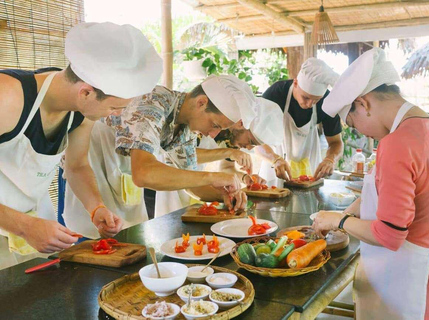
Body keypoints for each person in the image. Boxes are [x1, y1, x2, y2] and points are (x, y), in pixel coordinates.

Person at [0, 22, 162, 269]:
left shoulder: (80, 112)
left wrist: (96, 208)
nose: (114, 115)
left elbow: (76, 166)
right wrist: (24, 226)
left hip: (31, 222)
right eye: (114, 107)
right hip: (19, 224)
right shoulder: (7, 97)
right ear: (86, 92)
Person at [313, 48, 429, 319]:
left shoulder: (397, 143)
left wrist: (338, 221)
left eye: (353, 123)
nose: (359, 131)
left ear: (363, 103)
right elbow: (395, 196)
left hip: (404, 284)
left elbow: (390, 234)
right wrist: (348, 212)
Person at [64, 75, 258, 238]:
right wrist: (212, 177)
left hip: (123, 186)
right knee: (90, 246)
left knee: (129, 241)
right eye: (215, 125)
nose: (213, 135)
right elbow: (143, 174)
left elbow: (190, 182)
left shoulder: (185, 128)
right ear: (201, 103)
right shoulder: (152, 103)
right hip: (92, 177)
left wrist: (225, 194)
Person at [260, 58, 343, 184]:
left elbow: (336, 142)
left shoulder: (327, 101)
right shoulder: (276, 94)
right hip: (275, 164)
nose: (310, 104)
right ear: (295, 83)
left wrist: (330, 160)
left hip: (310, 168)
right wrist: (274, 159)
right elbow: (256, 139)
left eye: (316, 100)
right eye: (306, 97)